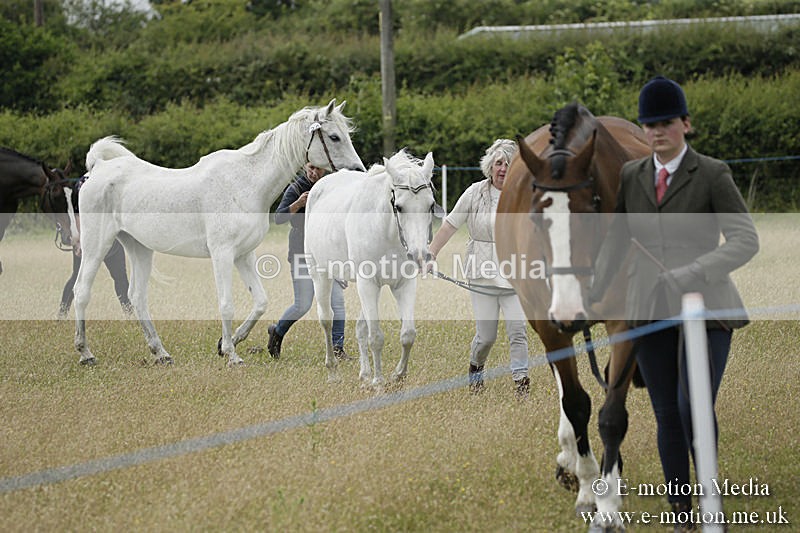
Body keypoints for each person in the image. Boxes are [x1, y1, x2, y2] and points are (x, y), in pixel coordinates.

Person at [589, 76, 759, 531]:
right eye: (649, 124)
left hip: (707, 308)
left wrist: (695, 270)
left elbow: (745, 239)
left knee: (691, 405)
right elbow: (616, 239)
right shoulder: (632, 176)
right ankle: (682, 514)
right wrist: (594, 290)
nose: (657, 131)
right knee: (665, 409)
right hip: (649, 309)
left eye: (665, 122)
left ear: (686, 123)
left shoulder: (712, 173)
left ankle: (710, 508)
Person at [428, 139, 530, 398]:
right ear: (490, 166)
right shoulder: (475, 193)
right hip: (481, 275)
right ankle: (476, 369)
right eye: (499, 163)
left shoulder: (523, 195)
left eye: (509, 163)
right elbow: (450, 225)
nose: (503, 168)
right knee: (487, 337)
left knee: (518, 330)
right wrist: (430, 253)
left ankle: (521, 383)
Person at [266, 163, 349, 360]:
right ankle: (276, 332)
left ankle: (337, 349)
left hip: (328, 254)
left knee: (337, 304)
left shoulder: (333, 188)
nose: (314, 172)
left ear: (326, 170)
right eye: (311, 167)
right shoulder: (295, 188)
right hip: (301, 254)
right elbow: (278, 218)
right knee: (302, 304)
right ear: (305, 165)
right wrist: (298, 204)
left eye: (319, 169)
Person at [58, 175, 133, 318]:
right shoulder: (83, 184)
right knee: (77, 278)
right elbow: (78, 214)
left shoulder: (108, 180)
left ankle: (130, 314)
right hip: (91, 240)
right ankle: (62, 315)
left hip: (111, 238)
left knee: (120, 278)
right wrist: (80, 241)